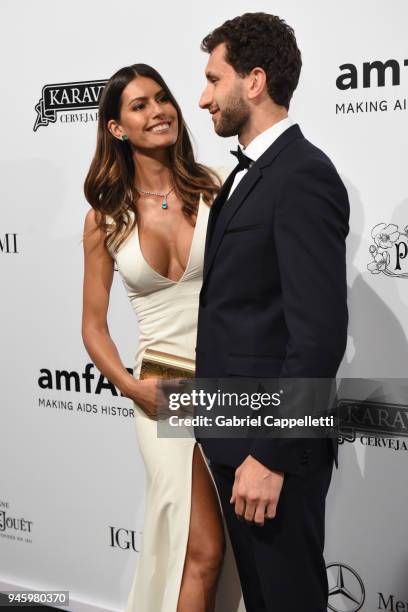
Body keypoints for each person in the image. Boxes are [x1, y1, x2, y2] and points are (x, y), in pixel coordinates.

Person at [196, 12, 349, 612]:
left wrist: (270, 454)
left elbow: (317, 338)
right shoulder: (246, 175)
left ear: (253, 82)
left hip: (269, 449)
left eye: (214, 79)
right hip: (233, 435)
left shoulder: (302, 174)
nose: (204, 98)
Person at [81, 63, 227, 612]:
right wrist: (130, 387)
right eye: (139, 105)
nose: (158, 111)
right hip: (161, 391)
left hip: (234, 385)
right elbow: (93, 324)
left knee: (233, 551)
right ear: (117, 128)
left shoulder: (215, 187)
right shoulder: (106, 217)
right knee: (203, 549)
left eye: (162, 98)